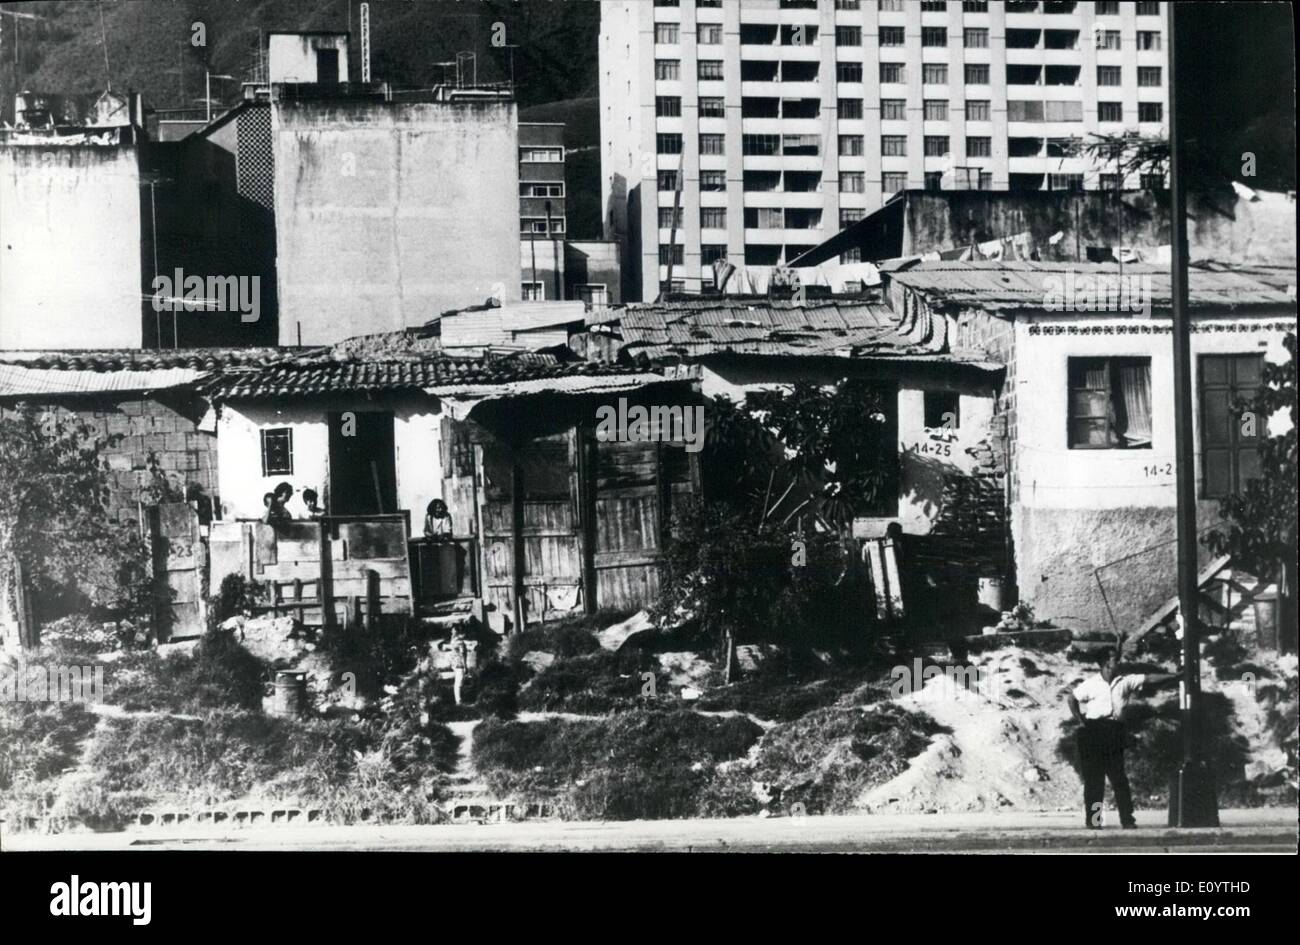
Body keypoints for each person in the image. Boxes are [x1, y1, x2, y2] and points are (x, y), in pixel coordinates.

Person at [1067, 646, 1176, 829]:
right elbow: (1072, 698)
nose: (1117, 662)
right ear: (1105, 663)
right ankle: (1094, 821)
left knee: (1119, 779)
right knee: (1095, 782)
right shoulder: (1091, 684)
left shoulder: (1124, 682)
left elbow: (1148, 678)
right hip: (1094, 732)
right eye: (1113, 659)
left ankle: (1127, 820)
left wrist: (1174, 676)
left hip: (1114, 732)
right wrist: (1080, 720)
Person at [448, 626, 469, 706]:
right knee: (459, 683)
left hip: (455, 663)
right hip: (460, 664)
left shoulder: (453, 641)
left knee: (458, 683)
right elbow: (463, 654)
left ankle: (459, 700)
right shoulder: (460, 642)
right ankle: (459, 701)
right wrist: (465, 666)